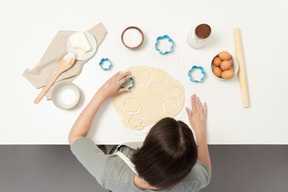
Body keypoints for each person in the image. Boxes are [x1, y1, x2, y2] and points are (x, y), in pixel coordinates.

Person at [69, 71, 212, 192]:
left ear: (144, 147)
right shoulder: (195, 180)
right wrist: (200, 132)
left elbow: (75, 136)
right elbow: (206, 172)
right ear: (187, 170)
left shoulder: (108, 173)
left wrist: (102, 93)